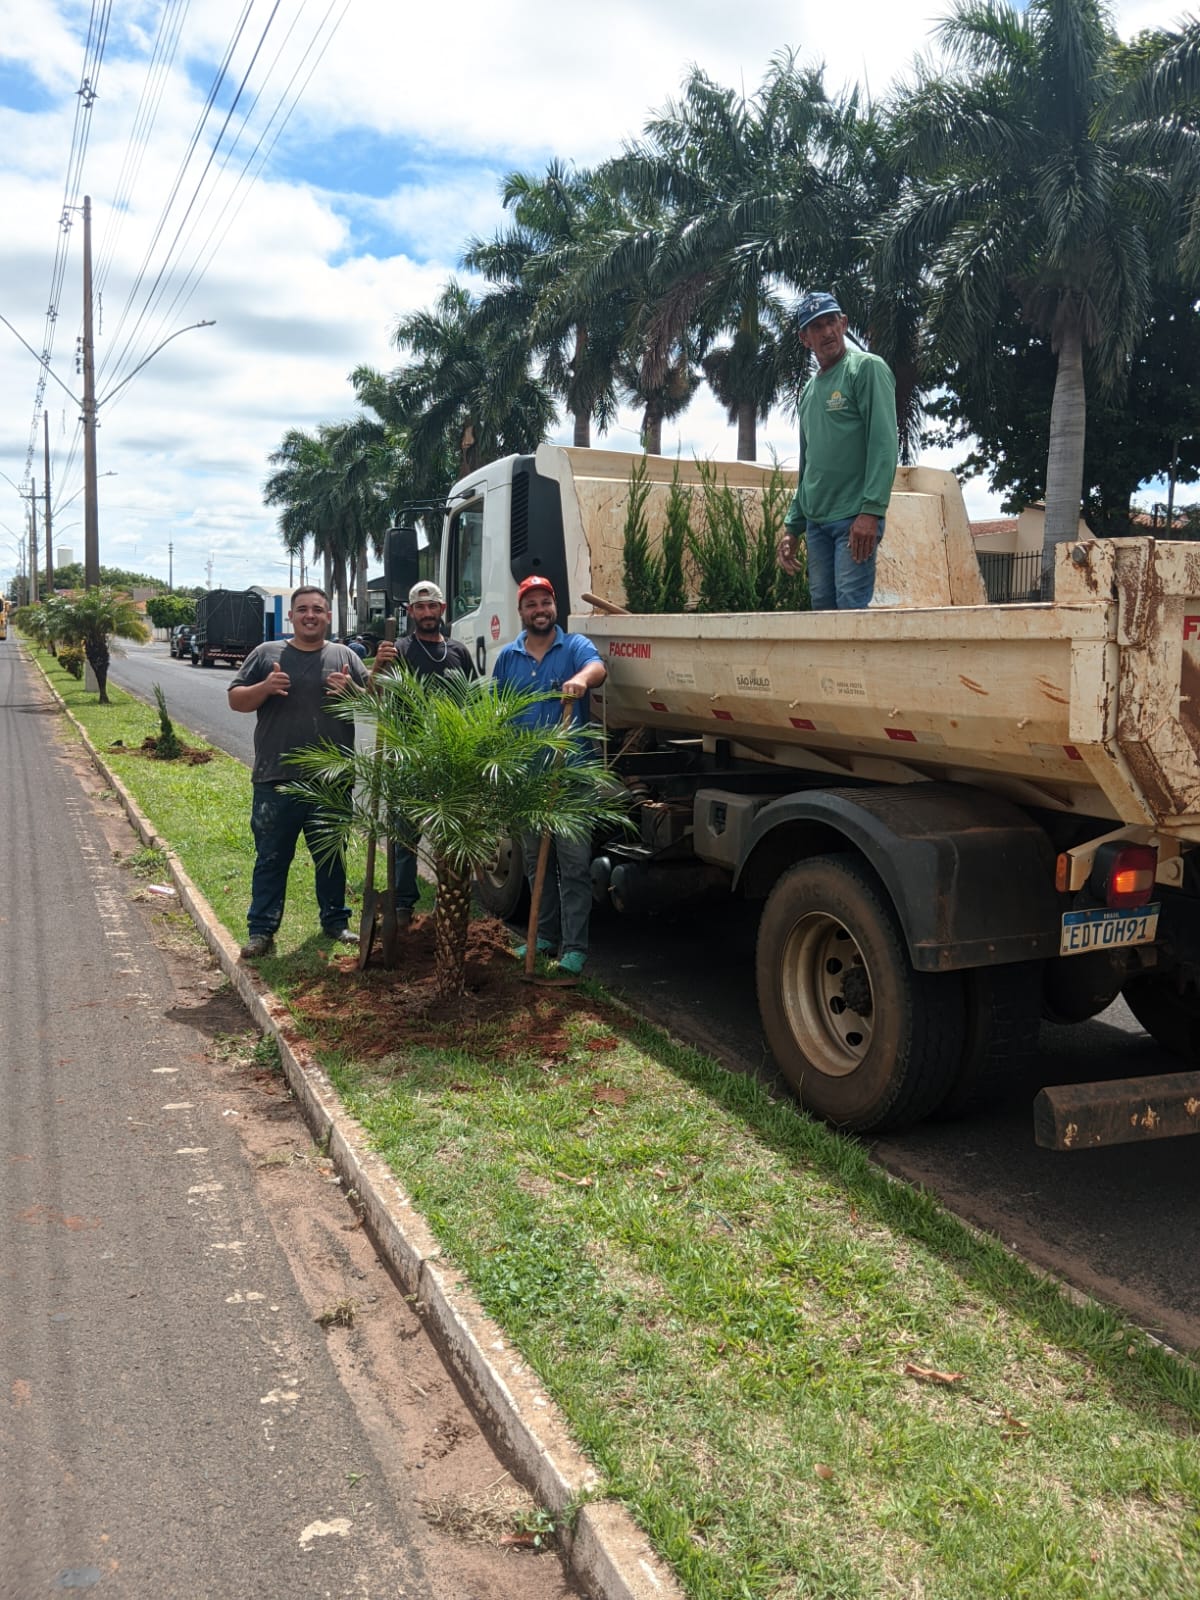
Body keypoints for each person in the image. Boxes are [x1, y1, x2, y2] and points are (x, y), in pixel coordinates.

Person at [228, 586, 370, 959]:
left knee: (331, 856)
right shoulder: (266, 654)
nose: (311, 615)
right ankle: (262, 931)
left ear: (328, 617)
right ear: (290, 616)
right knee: (272, 858)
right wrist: (266, 686)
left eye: (318, 610)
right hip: (276, 779)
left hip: (332, 781)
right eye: (303, 609)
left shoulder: (344, 655)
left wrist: (353, 691)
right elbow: (236, 699)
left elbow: (375, 704)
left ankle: (335, 922)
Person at [492, 575, 607, 977]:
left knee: (574, 865)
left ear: (553, 606)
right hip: (528, 777)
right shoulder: (508, 657)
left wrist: (580, 680)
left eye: (545, 602)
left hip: (570, 775)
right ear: (521, 611)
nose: (539, 610)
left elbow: (597, 667)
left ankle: (574, 948)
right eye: (531, 604)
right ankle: (543, 935)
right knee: (536, 863)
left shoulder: (573, 647)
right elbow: (499, 710)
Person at [778, 291, 898, 610]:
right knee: (822, 610)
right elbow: (809, 464)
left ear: (843, 323)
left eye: (831, 322)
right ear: (805, 338)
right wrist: (794, 526)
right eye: (816, 327)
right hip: (817, 522)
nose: (827, 332)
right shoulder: (807, 392)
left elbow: (884, 443)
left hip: (854, 518)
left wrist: (871, 512)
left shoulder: (866, 369)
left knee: (850, 609)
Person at [371, 580, 475, 928]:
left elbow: (472, 701)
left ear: (442, 610)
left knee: (451, 839)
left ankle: (450, 902)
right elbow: (373, 697)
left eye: (433, 607)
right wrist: (377, 668)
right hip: (408, 760)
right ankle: (402, 905)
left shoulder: (459, 652)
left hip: (451, 759)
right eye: (420, 607)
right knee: (405, 838)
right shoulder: (397, 650)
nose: (427, 613)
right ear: (410, 612)